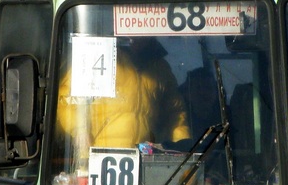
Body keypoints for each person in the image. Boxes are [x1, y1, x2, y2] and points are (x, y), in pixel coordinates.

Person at [56, 36, 191, 150]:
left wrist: (182, 145)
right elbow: (66, 98)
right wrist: (79, 128)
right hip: (98, 154)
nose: (136, 37)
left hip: (145, 156)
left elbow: (175, 112)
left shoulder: (161, 69)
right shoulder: (100, 55)